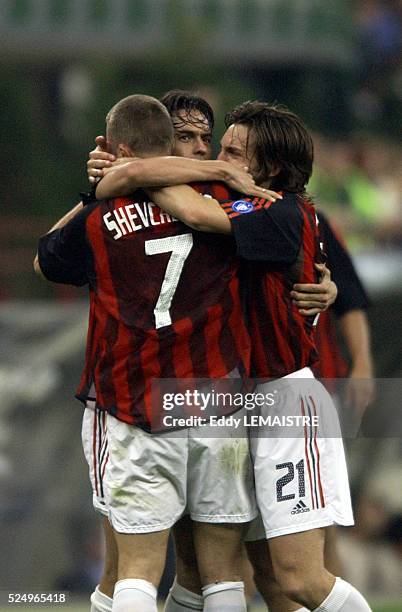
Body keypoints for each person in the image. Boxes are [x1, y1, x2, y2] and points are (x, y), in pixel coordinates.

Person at [102, 100, 372, 611]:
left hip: (285, 403)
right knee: (261, 576)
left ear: (267, 169)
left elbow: (194, 211)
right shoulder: (240, 201)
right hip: (233, 404)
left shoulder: (280, 211)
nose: (220, 159)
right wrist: (119, 173)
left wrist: (126, 171)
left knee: (301, 577)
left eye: (233, 152)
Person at [36, 93, 288, 612]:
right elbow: (281, 235)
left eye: (206, 139)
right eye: (185, 138)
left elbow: (46, 259)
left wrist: (110, 183)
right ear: (164, 144)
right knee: (218, 575)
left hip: (135, 409)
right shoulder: (228, 203)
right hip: (213, 403)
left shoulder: (101, 216)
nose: (201, 149)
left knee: (138, 572)